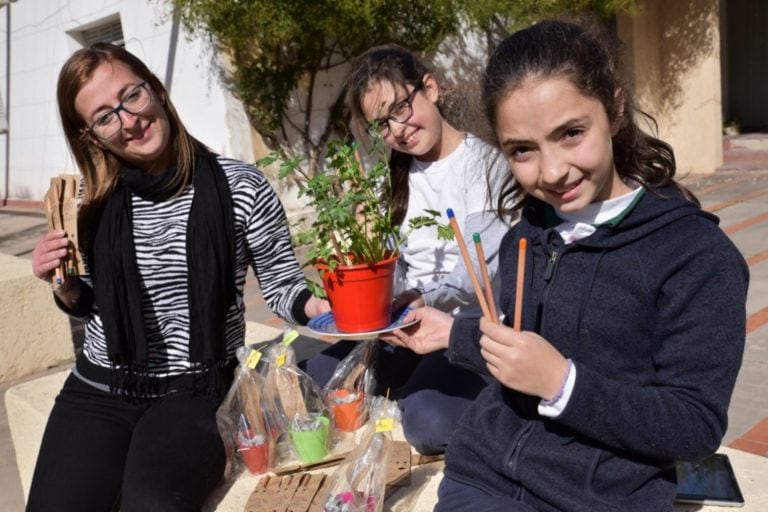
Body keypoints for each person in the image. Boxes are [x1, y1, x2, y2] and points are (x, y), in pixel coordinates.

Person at [382, 20, 749, 511]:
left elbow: (694, 425)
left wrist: (562, 383)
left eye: (571, 133)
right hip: (482, 476)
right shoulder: (524, 239)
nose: (553, 171)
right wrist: (451, 333)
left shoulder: (694, 257)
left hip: (598, 498)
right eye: (522, 150)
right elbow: (518, 343)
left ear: (614, 109)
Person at [29, 43, 328, 512]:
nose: (128, 120)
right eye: (105, 116)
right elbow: (91, 302)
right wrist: (63, 283)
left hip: (196, 389)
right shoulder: (89, 200)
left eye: (132, 96)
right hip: (100, 388)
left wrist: (324, 309)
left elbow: (284, 287)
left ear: (158, 90)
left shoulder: (241, 187)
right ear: (93, 137)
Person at [301, 45, 511, 455]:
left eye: (400, 108)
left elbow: (479, 270)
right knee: (317, 373)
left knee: (427, 424)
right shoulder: (392, 178)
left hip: (461, 328)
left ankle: (470, 394)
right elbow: (389, 264)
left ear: (429, 88)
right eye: (382, 124)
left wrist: (422, 298)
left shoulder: (484, 165)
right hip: (402, 325)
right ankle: (406, 389)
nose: (397, 128)